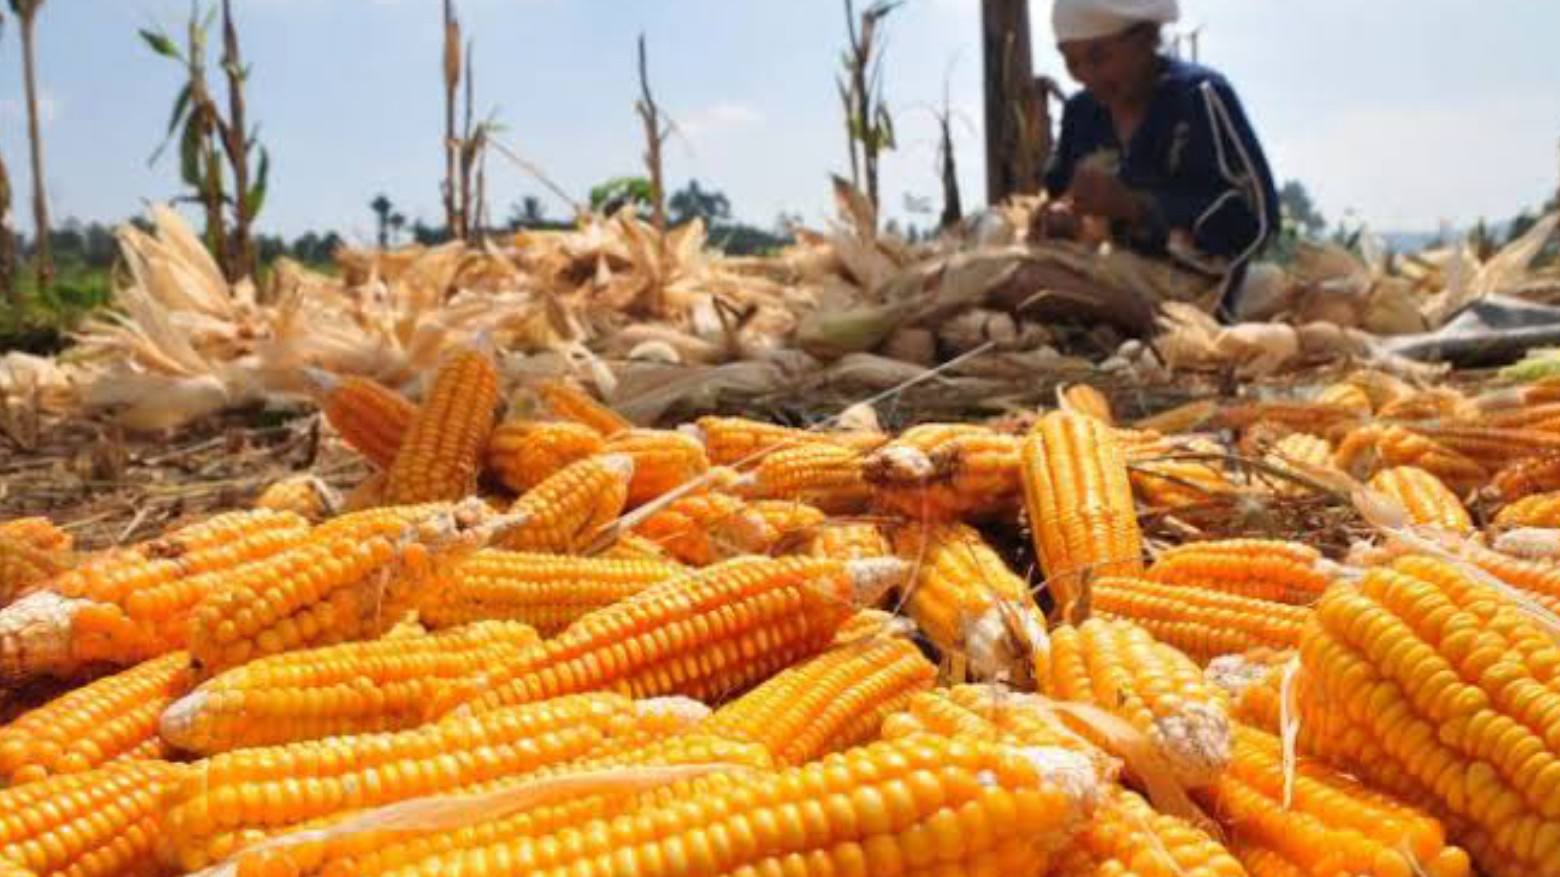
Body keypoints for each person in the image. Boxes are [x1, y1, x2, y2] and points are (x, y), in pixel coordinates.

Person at [1034, 0, 1280, 319]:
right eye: (1071, 61)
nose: (1085, 77)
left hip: (1199, 300)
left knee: (1018, 281)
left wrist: (1138, 207)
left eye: (1098, 57)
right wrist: (1060, 218)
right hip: (1106, 282)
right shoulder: (1082, 115)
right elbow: (1059, 195)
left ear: (1146, 38)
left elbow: (1259, 220)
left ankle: (1148, 322)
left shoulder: (1198, 97)